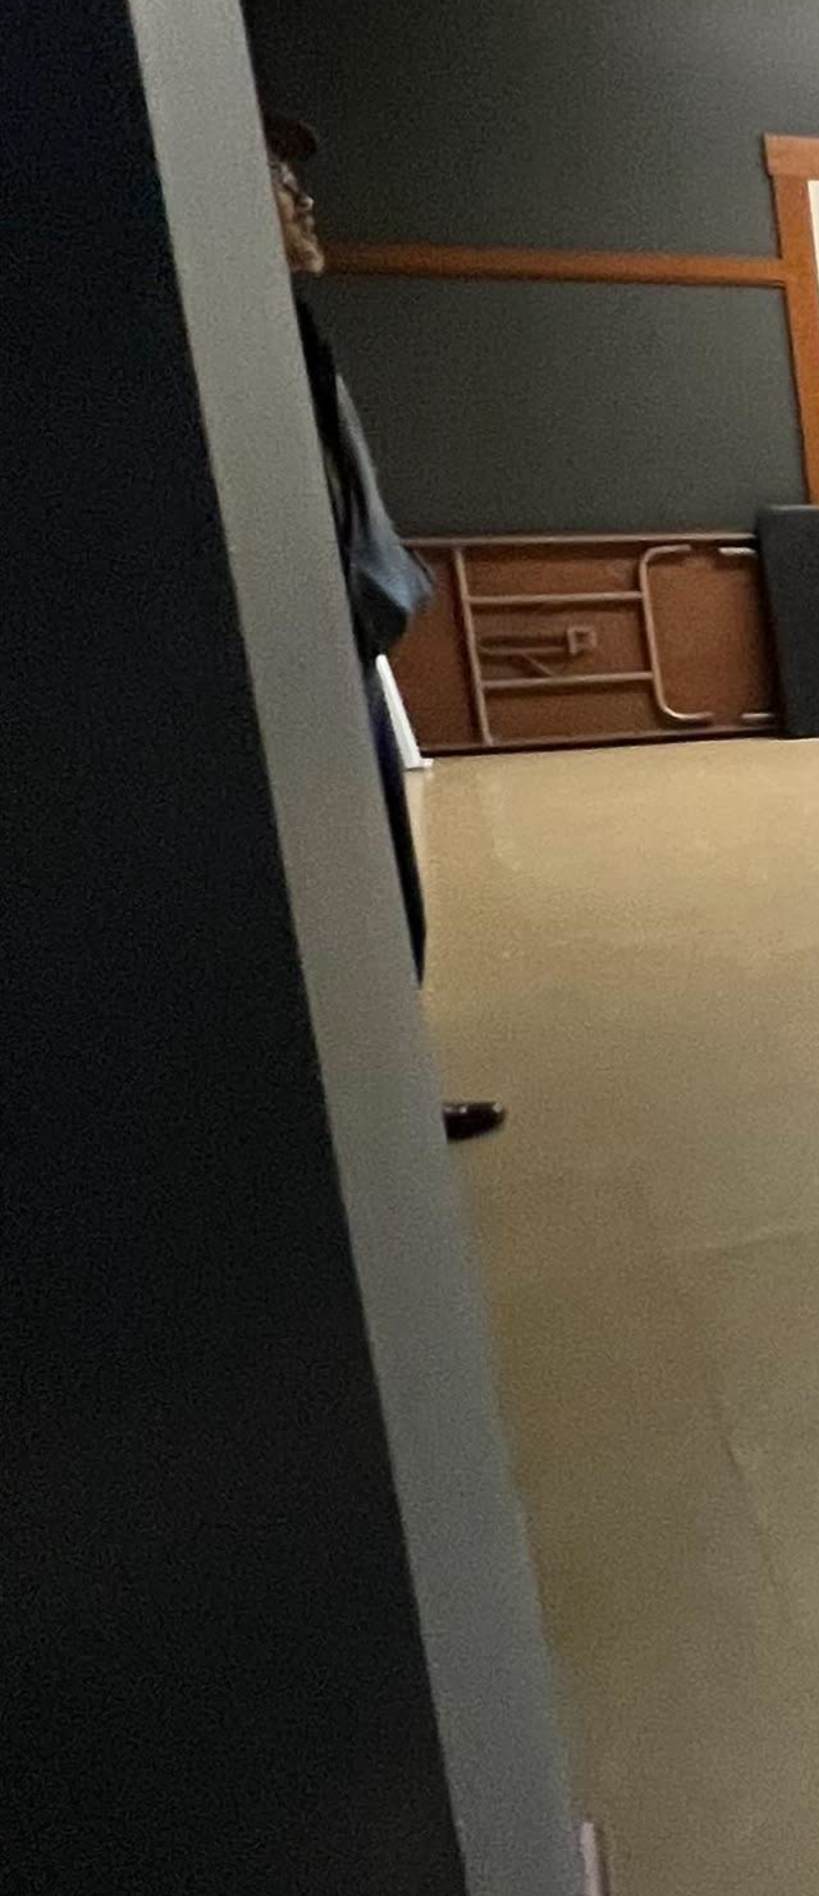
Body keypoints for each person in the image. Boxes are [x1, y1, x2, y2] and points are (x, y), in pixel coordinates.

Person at [265, 115, 502, 1143]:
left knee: (373, 884)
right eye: (279, 177)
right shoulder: (223, 335)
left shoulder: (291, 326)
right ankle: (348, 1114)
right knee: (329, 890)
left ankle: (382, 1085)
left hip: (338, 641)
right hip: (289, 653)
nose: (302, 196)